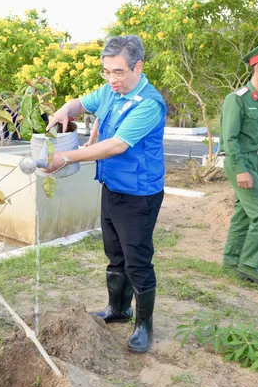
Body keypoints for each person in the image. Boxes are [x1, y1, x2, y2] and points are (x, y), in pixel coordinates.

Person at [44, 35, 167, 354]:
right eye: (106, 72)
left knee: (137, 260)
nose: (111, 79)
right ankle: (117, 309)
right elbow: (80, 104)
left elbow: (116, 145)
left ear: (137, 67)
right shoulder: (111, 92)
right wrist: (63, 111)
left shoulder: (149, 104)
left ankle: (144, 325)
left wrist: (66, 157)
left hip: (139, 194)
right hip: (112, 187)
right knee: (115, 253)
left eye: (118, 72)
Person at [220, 37, 258, 284]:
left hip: (256, 162)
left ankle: (231, 259)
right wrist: (240, 170)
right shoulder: (237, 98)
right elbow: (230, 138)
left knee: (244, 214)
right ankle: (249, 264)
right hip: (240, 163)